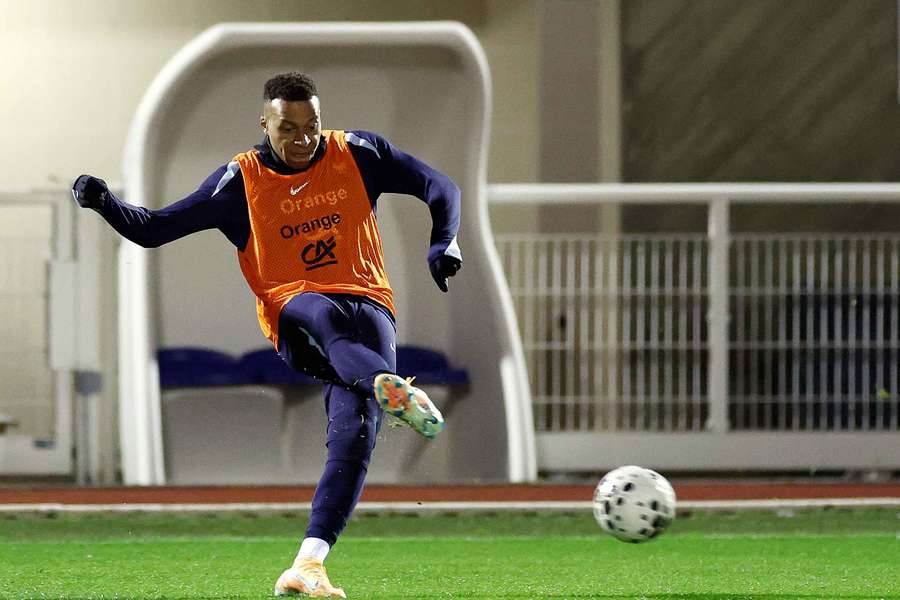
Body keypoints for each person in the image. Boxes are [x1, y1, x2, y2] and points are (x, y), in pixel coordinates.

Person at [72, 71, 462, 598]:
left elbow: (440, 185)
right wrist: (103, 202)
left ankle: (308, 565)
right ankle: (393, 388)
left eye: (311, 127)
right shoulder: (239, 182)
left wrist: (443, 242)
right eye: (288, 129)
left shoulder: (358, 152)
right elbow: (153, 227)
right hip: (295, 313)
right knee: (321, 316)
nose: (302, 140)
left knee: (356, 434)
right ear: (264, 124)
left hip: (370, 302)